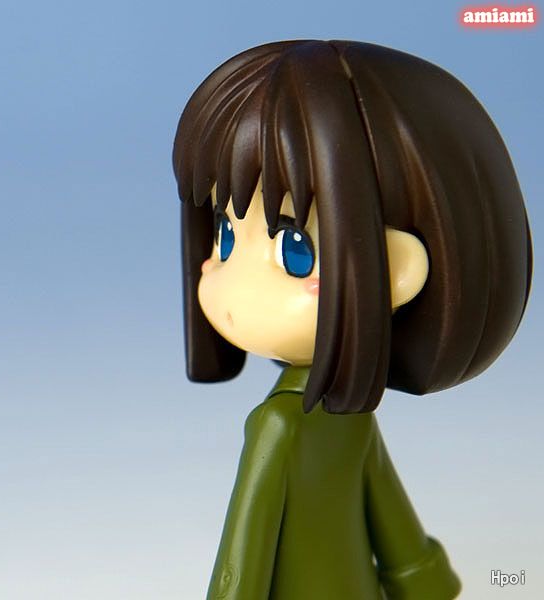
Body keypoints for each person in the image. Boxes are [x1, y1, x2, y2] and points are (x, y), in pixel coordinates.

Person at [172, 40, 532, 599]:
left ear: (398, 269)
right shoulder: (349, 415)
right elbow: (394, 523)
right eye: (224, 236)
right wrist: (423, 581)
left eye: (296, 250)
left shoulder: (279, 425)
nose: (233, 284)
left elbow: (242, 558)